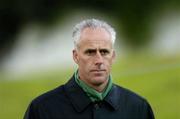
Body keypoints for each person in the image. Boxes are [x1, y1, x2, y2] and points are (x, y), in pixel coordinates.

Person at [24, 19, 155, 119]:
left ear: (113, 56)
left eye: (104, 52)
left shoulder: (138, 108)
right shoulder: (42, 110)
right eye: (90, 52)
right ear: (76, 56)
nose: (98, 60)